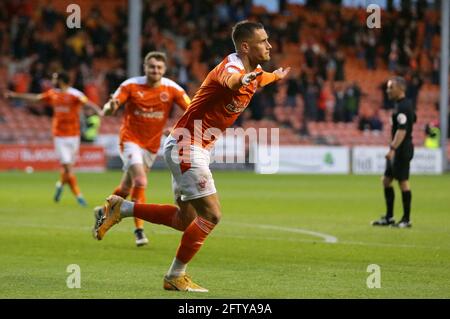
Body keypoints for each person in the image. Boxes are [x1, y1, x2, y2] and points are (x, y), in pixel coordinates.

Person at [92, 21, 290, 292]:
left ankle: (122, 208)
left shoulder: (253, 70)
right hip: (188, 146)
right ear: (245, 46)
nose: (269, 45)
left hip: (192, 146)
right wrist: (241, 80)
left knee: (184, 221)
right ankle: (175, 275)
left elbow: (260, 78)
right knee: (212, 215)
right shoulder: (231, 68)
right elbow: (231, 80)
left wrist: (276, 75)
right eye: (264, 40)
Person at [100, 51, 191, 247]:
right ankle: (139, 230)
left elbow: (192, 110)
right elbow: (108, 108)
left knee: (126, 187)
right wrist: (110, 106)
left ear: (164, 69)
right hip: (130, 139)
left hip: (151, 144)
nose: (155, 70)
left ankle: (104, 211)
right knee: (140, 180)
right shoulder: (131, 85)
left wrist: (175, 129)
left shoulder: (172, 88)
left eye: (159, 67)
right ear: (145, 67)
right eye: (151, 67)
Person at [5, 71, 102, 206]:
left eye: (55, 78)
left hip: (74, 135)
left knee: (68, 169)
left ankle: (59, 185)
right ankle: (79, 196)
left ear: (62, 80)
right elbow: (36, 98)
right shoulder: (52, 94)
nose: (52, 80)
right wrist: (15, 95)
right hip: (59, 136)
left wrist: (99, 111)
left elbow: (88, 104)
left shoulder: (75, 94)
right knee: (68, 168)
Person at [372, 76, 416, 228]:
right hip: (397, 149)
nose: (388, 90)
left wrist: (392, 149)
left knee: (403, 182)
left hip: (401, 150)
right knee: (386, 180)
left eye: (391, 87)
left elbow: (402, 131)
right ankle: (389, 217)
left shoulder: (403, 106)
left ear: (401, 89)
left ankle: (406, 219)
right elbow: (413, 120)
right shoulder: (402, 105)